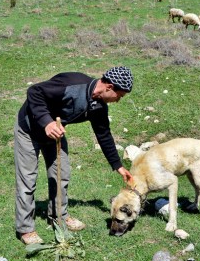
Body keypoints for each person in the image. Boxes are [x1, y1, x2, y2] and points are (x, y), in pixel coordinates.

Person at [14, 66, 134, 245]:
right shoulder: (72, 83)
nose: (118, 100)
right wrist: (46, 122)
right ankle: (26, 229)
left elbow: (103, 135)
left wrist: (118, 165)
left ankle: (58, 216)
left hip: (55, 134)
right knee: (28, 180)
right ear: (109, 87)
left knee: (62, 174)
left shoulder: (99, 106)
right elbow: (34, 91)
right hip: (29, 129)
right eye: (119, 95)